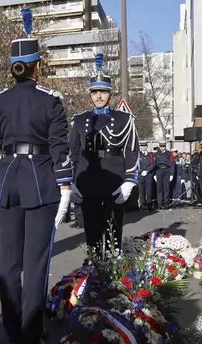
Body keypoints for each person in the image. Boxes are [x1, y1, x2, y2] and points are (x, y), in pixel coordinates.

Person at [0, 8, 73, 344]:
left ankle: (11, 326)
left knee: (8, 261)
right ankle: (32, 328)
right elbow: (60, 147)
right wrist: (65, 186)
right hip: (41, 180)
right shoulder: (51, 101)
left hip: (6, 181)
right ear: (37, 65)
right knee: (35, 262)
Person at [69, 53, 140, 251]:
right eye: (94, 92)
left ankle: (113, 275)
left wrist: (129, 180)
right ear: (90, 94)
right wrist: (70, 182)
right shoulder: (80, 119)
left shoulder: (124, 119)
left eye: (103, 92)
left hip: (114, 181)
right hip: (88, 181)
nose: (98, 96)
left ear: (110, 93)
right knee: (91, 235)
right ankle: (94, 274)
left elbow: (131, 150)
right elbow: (72, 153)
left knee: (114, 233)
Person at [149, 141, 174, 209]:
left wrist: (171, 174)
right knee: (159, 188)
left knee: (166, 188)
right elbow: (153, 164)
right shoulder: (156, 154)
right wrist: (154, 174)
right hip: (158, 171)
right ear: (159, 146)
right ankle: (159, 204)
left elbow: (172, 163)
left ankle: (166, 204)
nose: (162, 147)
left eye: (163, 146)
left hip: (166, 171)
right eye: (161, 146)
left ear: (165, 146)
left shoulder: (169, 154)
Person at [138, 141, 154, 210]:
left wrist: (147, 171)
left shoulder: (150, 155)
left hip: (148, 174)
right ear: (140, 147)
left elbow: (153, 164)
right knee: (142, 191)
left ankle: (149, 204)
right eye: (142, 146)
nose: (143, 147)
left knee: (149, 190)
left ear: (147, 147)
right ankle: (143, 204)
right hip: (141, 175)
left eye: (144, 146)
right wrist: (141, 171)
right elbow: (136, 165)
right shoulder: (138, 155)